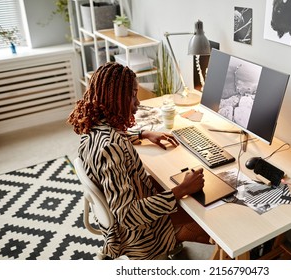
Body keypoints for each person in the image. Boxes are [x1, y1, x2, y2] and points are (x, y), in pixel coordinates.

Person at [67, 62, 210, 260]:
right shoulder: (111, 148)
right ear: (113, 98)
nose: (138, 102)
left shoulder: (92, 127)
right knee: (211, 217)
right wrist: (182, 190)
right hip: (142, 236)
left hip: (127, 217)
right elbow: (127, 215)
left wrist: (142, 134)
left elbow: (112, 139)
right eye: (132, 95)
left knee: (170, 184)